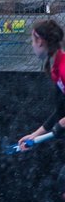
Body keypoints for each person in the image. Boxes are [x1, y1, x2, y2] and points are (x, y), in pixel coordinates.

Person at [14, 18, 65, 156]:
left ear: (40, 41)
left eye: (32, 41)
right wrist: (35, 136)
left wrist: (62, 124)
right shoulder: (56, 70)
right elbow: (61, 111)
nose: (32, 45)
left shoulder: (63, 68)